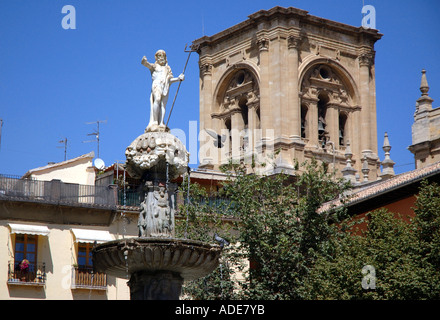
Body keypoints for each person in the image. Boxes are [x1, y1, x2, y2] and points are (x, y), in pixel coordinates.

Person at [142, 50, 184, 130]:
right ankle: (155, 121)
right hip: (157, 85)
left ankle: (161, 123)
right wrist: (144, 61)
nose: (161, 58)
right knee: (157, 99)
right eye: (159, 56)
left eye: (163, 56)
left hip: (165, 86)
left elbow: (169, 80)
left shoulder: (167, 68)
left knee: (163, 105)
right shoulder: (154, 66)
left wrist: (178, 79)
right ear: (156, 58)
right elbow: (146, 65)